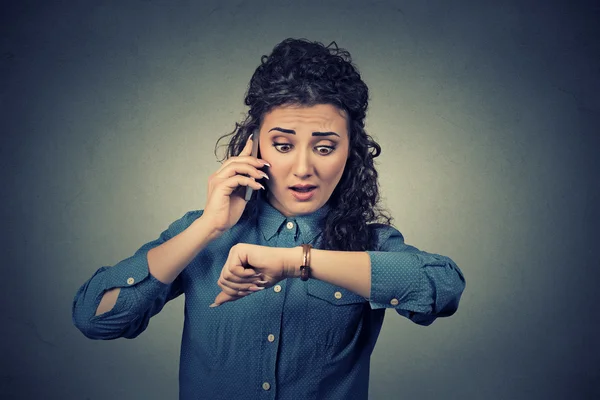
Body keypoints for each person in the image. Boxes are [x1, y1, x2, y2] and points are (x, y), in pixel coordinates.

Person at [72, 38, 466, 400]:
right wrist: (208, 226)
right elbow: (95, 317)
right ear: (254, 144)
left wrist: (298, 262)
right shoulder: (203, 234)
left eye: (325, 147)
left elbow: (442, 289)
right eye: (282, 145)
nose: (302, 168)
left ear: (351, 153)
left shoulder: (370, 245)